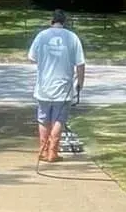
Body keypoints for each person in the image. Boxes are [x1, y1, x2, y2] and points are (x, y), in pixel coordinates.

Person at [27, 9, 86, 162]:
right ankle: (53, 152)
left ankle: (43, 150)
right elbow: (80, 64)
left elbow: (32, 57)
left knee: (43, 119)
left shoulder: (42, 36)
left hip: (43, 87)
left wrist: (45, 61)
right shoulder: (72, 38)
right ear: (64, 22)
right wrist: (80, 83)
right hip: (63, 87)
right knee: (58, 120)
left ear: (51, 21)